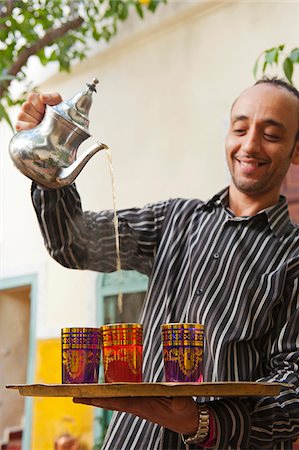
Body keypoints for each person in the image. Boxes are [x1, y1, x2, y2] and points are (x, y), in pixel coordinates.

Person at [16, 78, 299, 450]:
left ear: (296, 150)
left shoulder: (292, 256)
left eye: (272, 135)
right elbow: (74, 244)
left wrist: (202, 423)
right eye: (241, 128)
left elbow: (293, 390)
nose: (249, 145)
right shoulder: (174, 220)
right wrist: (48, 161)